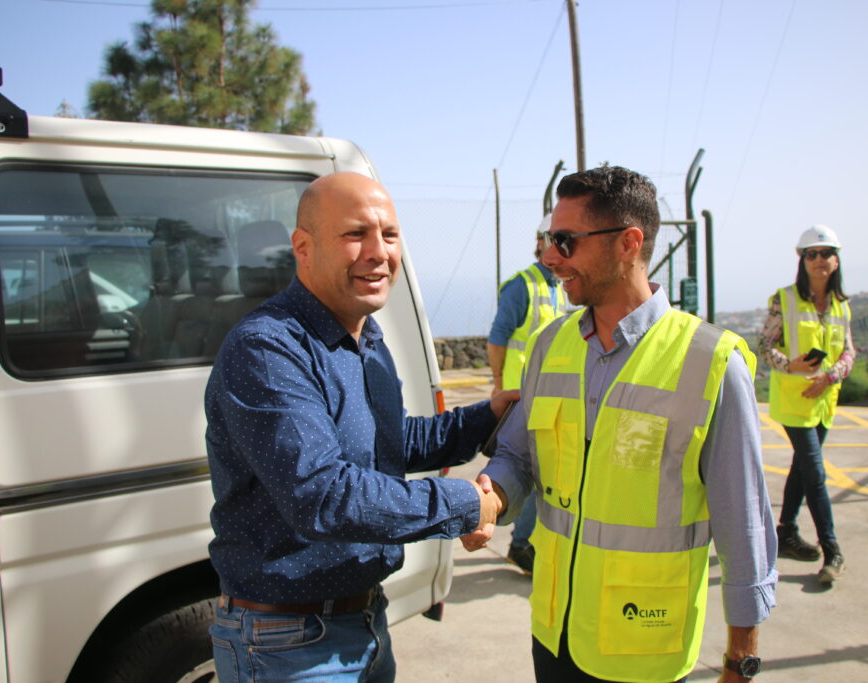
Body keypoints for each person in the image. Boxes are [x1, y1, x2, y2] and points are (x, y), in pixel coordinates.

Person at [465, 165, 777, 683]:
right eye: (549, 240)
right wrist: (490, 498)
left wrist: (741, 658)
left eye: (565, 241)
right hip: (555, 633)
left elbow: (742, 520)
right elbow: (519, 456)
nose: (549, 257)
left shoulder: (712, 362)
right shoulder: (549, 345)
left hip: (643, 648)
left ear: (629, 244)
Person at [205, 172, 511, 682]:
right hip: (287, 646)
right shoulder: (267, 347)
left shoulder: (366, 338)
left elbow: (388, 445)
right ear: (303, 248)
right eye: (355, 234)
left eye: (389, 234)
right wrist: (465, 503)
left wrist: (489, 416)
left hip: (366, 624)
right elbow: (323, 495)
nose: (378, 252)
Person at [758, 225, 854, 585]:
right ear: (802, 260)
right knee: (815, 473)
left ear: (836, 260)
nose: (818, 259)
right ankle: (832, 550)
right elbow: (765, 346)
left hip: (824, 403)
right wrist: (791, 365)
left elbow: (849, 352)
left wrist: (831, 376)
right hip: (794, 404)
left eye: (825, 253)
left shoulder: (841, 305)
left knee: (802, 469)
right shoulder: (783, 299)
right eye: (811, 254)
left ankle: (786, 532)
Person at [486, 213, 567, 574]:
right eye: (559, 241)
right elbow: (498, 339)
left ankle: (525, 542)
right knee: (531, 475)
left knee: (544, 475)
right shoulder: (521, 286)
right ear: (543, 242)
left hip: (547, 397)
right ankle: (521, 545)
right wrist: (498, 383)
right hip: (520, 398)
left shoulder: (558, 287)